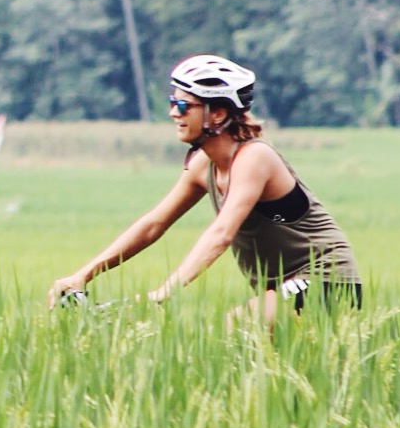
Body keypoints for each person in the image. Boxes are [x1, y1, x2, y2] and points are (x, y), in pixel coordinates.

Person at [47, 54, 361, 324]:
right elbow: (154, 225)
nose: (173, 112)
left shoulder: (254, 158)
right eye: (173, 102)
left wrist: (167, 291)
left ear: (219, 113)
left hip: (326, 278)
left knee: (237, 326)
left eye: (183, 105)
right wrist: (83, 274)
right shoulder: (203, 165)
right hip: (281, 287)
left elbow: (222, 232)